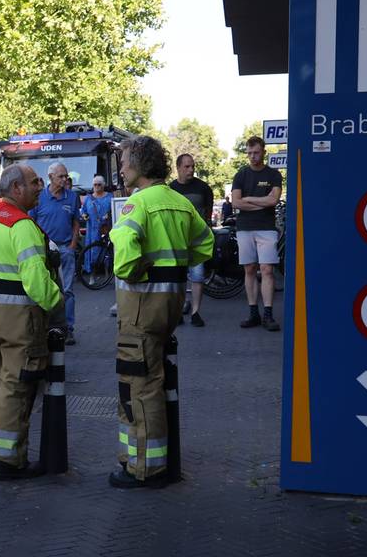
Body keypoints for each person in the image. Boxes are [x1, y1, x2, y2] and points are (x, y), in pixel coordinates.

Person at [108, 136, 213, 489]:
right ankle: (148, 463)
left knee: (140, 387)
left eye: (124, 162)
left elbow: (124, 262)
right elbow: (205, 246)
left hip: (140, 308)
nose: (121, 169)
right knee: (153, 381)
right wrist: (174, 265)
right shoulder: (180, 203)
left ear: (139, 164)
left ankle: (144, 469)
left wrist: (139, 269)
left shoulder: (136, 205)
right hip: (170, 306)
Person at [0, 164, 63, 480]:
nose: (40, 186)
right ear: (16, 189)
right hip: (18, 320)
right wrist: (58, 303)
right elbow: (36, 282)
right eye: (34, 182)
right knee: (16, 386)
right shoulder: (22, 226)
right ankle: (9, 461)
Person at [231, 136, 283, 331]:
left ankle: (268, 314)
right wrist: (261, 202)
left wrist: (249, 199)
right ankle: (253, 312)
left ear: (263, 152)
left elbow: (274, 200)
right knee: (250, 269)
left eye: (256, 152)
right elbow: (236, 202)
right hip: (244, 228)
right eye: (250, 153)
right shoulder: (240, 175)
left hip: (267, 228)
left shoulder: (274, 174)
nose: (253, 156)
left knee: (267, 270)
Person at [29, 163, 79, 344]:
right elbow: (31, 221)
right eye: (61, 177)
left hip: (65, 248)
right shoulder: (39, 197)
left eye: (66, 176)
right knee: (44, 288)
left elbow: (76, 222)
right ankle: (46, 327)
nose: (65, 179)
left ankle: (68, 329)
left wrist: (73, 244)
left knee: (67, 290)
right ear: (50, 177)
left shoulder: (72, 197)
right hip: (45, 250)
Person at [170, 154, 215, 327]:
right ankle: (178, 310)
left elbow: (209, 214)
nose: (191, 169)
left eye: (192, 166)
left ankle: (196, 312)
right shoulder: (171, 188)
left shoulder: (203, 188)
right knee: (178, 277)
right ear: (178, 168)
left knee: (197, 276)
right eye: (187, 166)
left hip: (197, 241)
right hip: (177, 241)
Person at [80, 174, 113, 273]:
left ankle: (108, 272)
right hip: (92, 229)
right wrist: (84, 215)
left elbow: (115, 209)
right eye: (95, 185)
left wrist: (110, 215)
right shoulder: (89, 198)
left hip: (105, 228)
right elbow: (83, 211)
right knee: (91, 251)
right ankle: (92, 274)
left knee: (106, 251)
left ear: (103, 185)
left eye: (99, 184)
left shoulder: (110, 197)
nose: (97, 187)